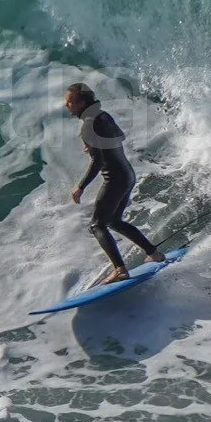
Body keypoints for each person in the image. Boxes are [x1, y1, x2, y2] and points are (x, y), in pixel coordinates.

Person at [62, 83, 167, 285]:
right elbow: (120, 136)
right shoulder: (103, 116)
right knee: (114, 221)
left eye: (69, 102)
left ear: (81, 103)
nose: (67, 106)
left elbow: (98, 161)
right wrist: (96, 145)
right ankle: (153, 253)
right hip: (128, 174)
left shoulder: (88, 125)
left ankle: (120, 269)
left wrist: (80, 186)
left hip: (115, 179)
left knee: (96, 225)